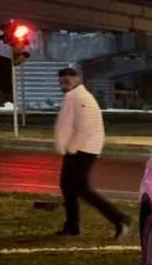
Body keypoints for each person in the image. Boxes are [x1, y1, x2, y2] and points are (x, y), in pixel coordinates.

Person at [54, 67, 129, 238]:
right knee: (68, 187)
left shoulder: (81, 98)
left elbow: (85, 127)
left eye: (67, 80)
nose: (63, 84)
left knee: (81, 189)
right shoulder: (73, 96)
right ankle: (72, 226)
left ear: (77, 79)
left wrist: (72, 147)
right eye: (61, 81)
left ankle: (119, 219)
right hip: (78, 149)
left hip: (82, 150)